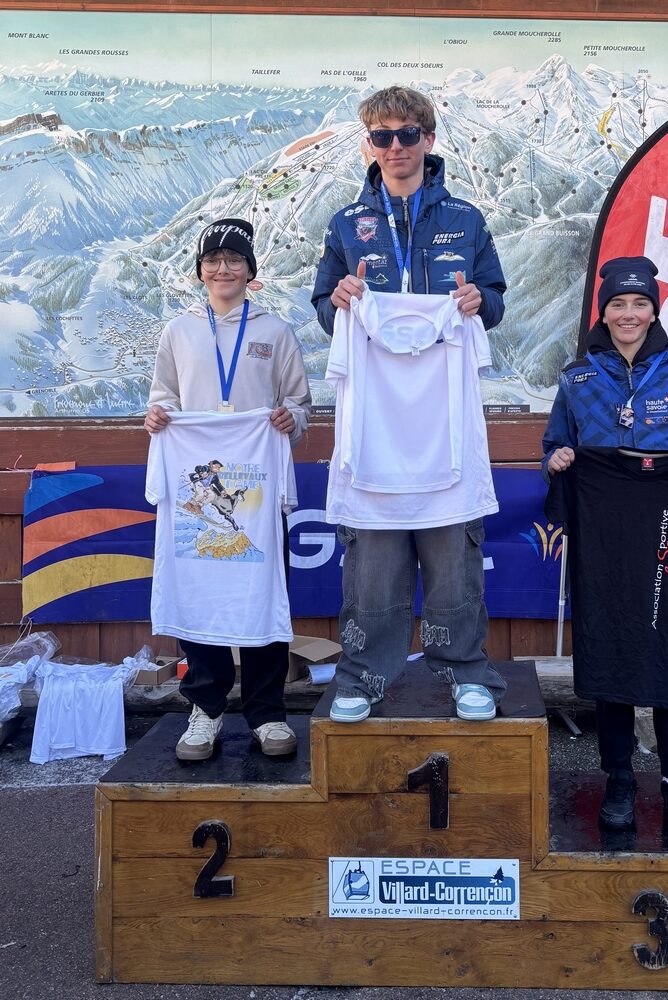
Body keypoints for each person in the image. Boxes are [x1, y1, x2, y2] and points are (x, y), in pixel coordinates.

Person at [311, 85, 507, 724]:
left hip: (444, 429)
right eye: (382, 136)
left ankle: (466, 673)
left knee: (454, 566)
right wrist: (339, 301)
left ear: (428, 138)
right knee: (372, 568)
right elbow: (323, 311)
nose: (395, 146)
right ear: (368, 145)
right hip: (374, 432)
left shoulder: (466, 219)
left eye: (407, 134)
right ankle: (361, 677)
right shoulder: (346, 224)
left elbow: (495, 299)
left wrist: (477, 301)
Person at [542, 255, 668, 835]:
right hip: (606, 527)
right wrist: (558, 459)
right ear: (603, 313)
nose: (629, 313)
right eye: (618, 304)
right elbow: (555, 444)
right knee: (611, 643)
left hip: (667, 522)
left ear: (654, 311)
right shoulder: (577, 377)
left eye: (639, 303)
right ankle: (620, 778)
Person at [145, 217, 311, 761]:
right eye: (213, 260)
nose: (223, 268)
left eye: (234, 259)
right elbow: (163, 398)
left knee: (264, 590)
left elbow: (300, 404)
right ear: (200, 271)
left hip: (256, 489)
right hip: (199, 487)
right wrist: (158, 417)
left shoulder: (275, 332)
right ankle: (206, 709)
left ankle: (267, 712)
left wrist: (290, 419)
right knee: (200, 589)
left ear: (249, 270)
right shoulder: (178, 331)